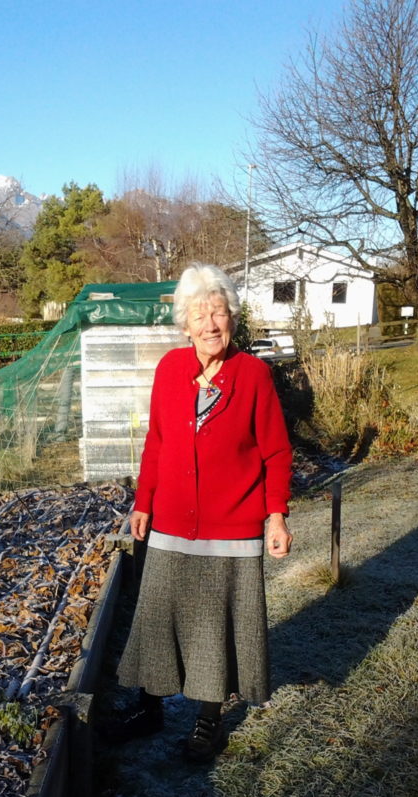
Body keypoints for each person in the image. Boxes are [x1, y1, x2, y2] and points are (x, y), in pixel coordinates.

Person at [113, 262, 293, 762]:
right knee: (158, 617)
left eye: (219, 311)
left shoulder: (253, 375)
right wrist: (143, 500)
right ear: (185, 323)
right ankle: (148, 708)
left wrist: (275, 516)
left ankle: (208, 722)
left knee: (215, 628)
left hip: (231, 526)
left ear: (232, 318)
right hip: (170, 518)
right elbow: (157, 442)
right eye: (200, 313)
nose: (210, 323)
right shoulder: (170, 370)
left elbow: (276, 451)